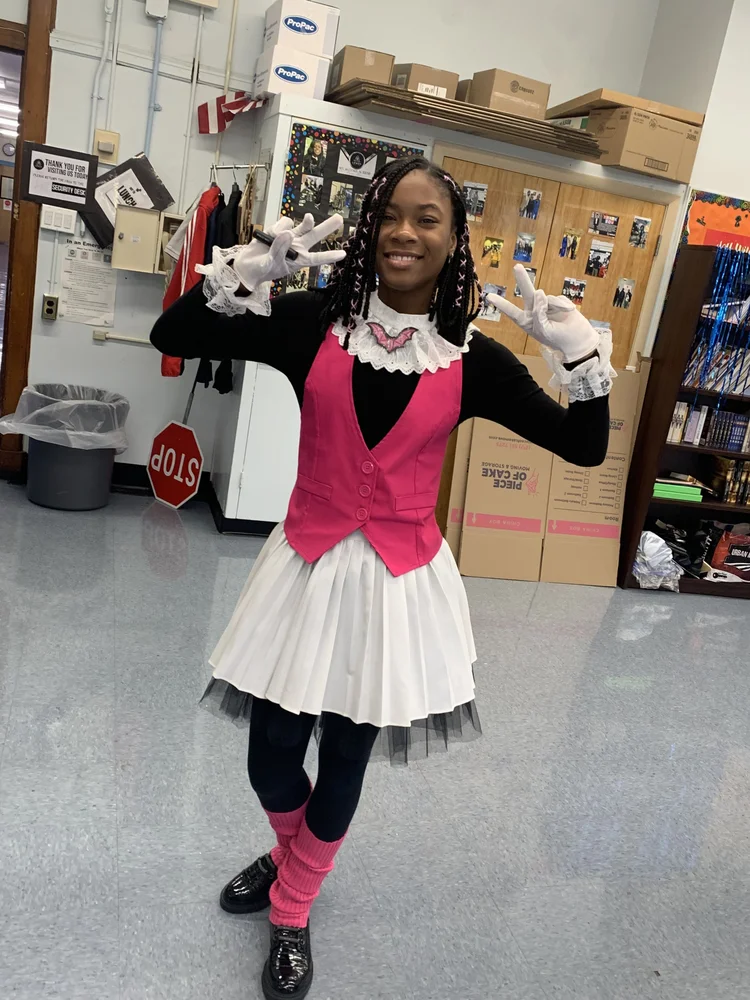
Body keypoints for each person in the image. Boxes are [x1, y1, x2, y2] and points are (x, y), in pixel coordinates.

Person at [150, 155, 614, 1000]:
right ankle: (289, 853)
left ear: (452, 239)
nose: (405, 231)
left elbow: (583, 447)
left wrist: (579, 358)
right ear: (369, 228)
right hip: (306, 566)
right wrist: (237, 278)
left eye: (427, 218)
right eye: (390, 214)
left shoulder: (471, 358)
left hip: (397, 586)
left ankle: (293, 904)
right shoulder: (310, 325)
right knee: (271, 760)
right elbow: (172, 341)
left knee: (347, 757)